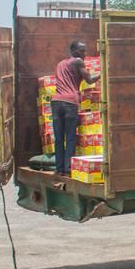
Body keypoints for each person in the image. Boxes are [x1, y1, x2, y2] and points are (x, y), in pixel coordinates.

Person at [52, 40, 99, 176]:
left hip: (56, 102)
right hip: (70, 103)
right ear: (73, 51)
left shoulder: (61, 64)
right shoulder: (77, 61)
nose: (84, 54)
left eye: (84, 51)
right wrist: (104, 73)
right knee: (71, 136)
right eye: (81, 51)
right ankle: (67, 169)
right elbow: (89, 80)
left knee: (59, 138)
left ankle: (59, 168)